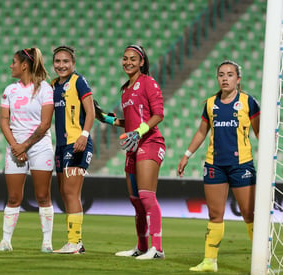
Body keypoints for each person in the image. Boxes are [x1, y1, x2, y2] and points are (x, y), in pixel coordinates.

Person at [177, 60, 260, 272]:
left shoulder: (248, 102)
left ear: (238, 79)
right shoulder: (210, 103)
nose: (225, 78)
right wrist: (187, 155)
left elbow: (260, 133)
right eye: (221, 75)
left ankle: (262, 259)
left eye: (230, 74)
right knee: (215, 214)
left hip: (242, 165)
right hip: (215, 165)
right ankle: (209, 261)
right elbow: (201, 132)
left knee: (249, 214)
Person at [95, 45, 165, 260]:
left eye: (133, 59)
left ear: (142, 62)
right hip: (133, 146)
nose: (128, 62)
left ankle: (157, 249)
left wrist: (138, 132)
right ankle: (142, 247)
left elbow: (158, 114)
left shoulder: (148, 82)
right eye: (125, 58)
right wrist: (105, 118)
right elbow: (130, 122)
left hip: (150, 142)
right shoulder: (126, 89)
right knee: (136, 200)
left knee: (146, 196)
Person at [0, 47, 55, 253]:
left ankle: (47, 242)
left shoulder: (45, 89)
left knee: (42, 196)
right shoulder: (9, 90)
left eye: (13, 62)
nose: (11, 66)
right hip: (15, 147)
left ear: (24, 65)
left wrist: (24, 146)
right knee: (13, 197)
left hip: (39, 148)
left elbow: (45, 124)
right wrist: (15, 146)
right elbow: (3, 121)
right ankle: (5, 242)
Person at [50, 45, 95, 254]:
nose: (61, 65)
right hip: (60, 146)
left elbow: (91, 111)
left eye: (65, 61)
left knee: (71, 192)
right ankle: (75, 242)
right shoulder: (53, 85)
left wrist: (84, 136)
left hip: (77, 143)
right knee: (64, 192)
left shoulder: (79, 81)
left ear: (73, 64)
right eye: (57, 61)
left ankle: (75, 242)